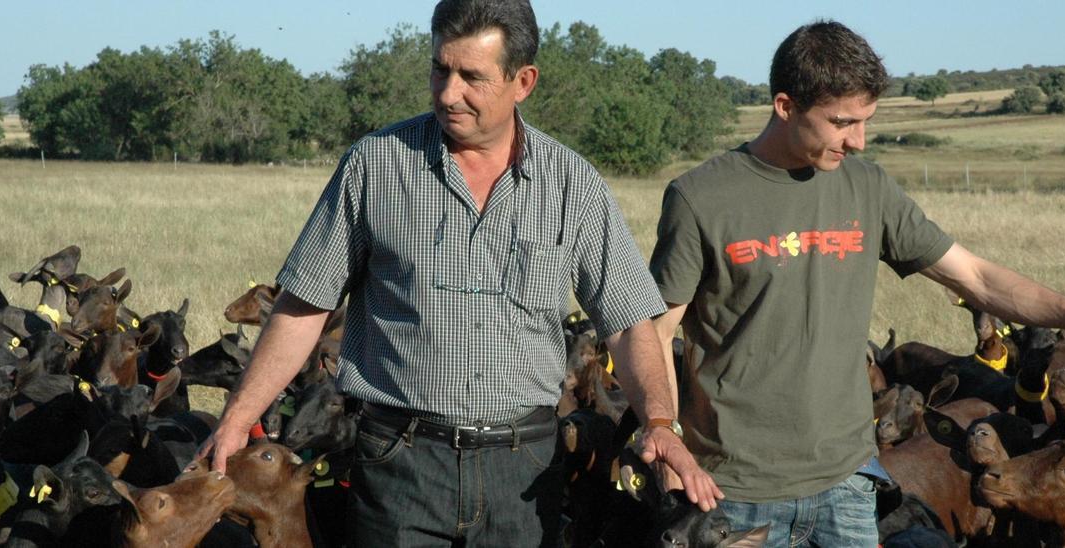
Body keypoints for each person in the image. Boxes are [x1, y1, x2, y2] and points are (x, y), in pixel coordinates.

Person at [197, 1, 719, 545]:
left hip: (524, 472)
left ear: (524, 81)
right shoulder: (375, 165)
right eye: (440, 69)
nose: (448, 93)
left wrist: (661, 425)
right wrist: (237, 417)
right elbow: (305, 307)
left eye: (472, 76)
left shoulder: (572, 185)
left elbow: (630, 322)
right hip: (399, 462)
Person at [648, 20, 1065, 547]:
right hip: (733, 495)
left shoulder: (867, 188)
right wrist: (664, 432)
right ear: (784, 105)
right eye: (842, 122)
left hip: (846, 486)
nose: (859, 140)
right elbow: (657, 332)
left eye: (866, 120)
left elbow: (977, 277)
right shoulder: (701, 197)